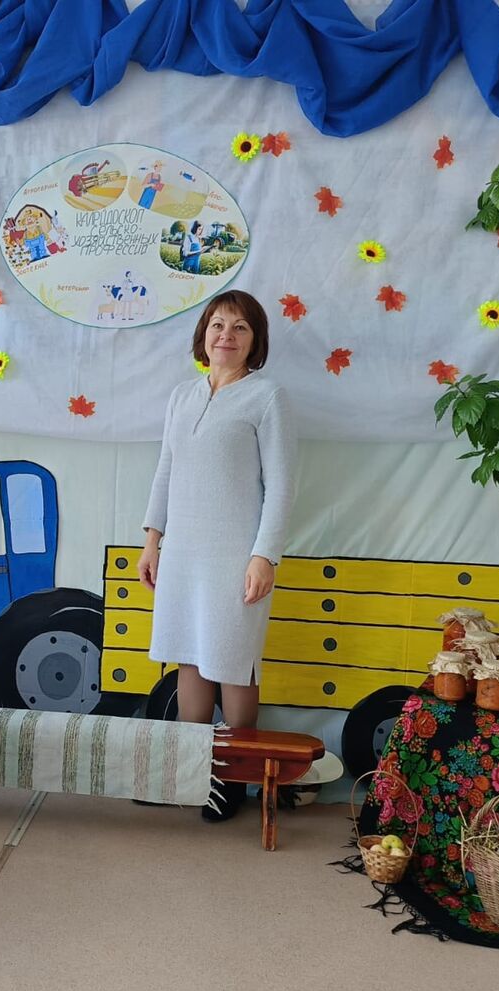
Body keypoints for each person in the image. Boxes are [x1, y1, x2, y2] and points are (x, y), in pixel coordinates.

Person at [138, 290, 297, 821]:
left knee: (233, 663)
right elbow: (165, 469)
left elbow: (281, 485)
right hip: (183, 552)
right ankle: (194, 773)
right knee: (190, 656)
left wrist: (265, 556)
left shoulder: (267, 398)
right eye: (217, 325)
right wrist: (152, 539)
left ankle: (233, 777)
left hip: (236, 556)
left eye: (240, 327)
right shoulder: (182, 396)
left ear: (256, 340)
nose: (226, 335)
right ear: (203, 334)